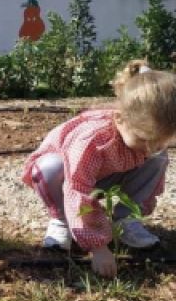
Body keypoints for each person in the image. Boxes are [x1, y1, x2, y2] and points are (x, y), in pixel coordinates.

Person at [23, 60, 176, 277]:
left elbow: (151, 158)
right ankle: (62, 221)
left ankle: (126, 219)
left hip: (106, 175)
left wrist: (154, 150)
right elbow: (78, 188)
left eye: (160, 141)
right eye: (143, 140)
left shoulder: (146, 142)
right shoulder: (93, 140)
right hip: (68, 177)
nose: (149, 148)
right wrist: (98, 247)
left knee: (158, 159)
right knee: (49, 168)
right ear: (119, 118)